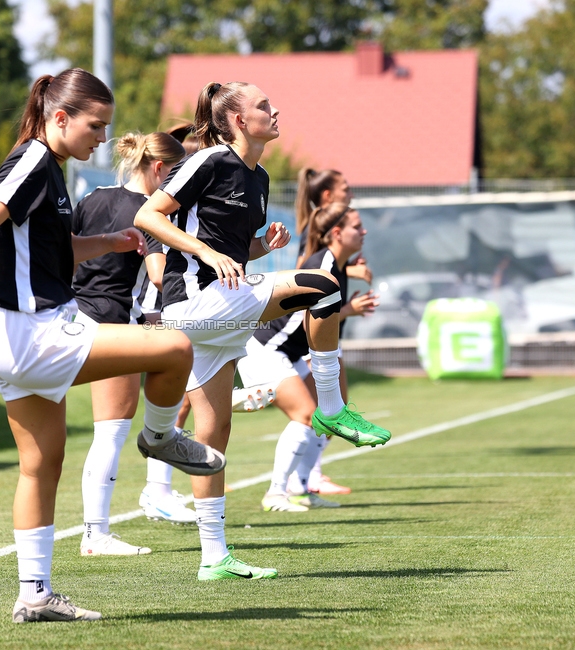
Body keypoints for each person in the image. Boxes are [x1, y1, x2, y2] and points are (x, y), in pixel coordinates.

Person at [0, 69, 225, 623]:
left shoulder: (47, 167)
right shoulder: (33, 160)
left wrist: (108, 242)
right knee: (174, 348)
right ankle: (160, 438)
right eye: (95, 125)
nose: (103, 137)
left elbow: (46, 251)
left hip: (8, 334)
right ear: (59, 117)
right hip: (31, 330)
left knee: (42, 464)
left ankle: (35, 594)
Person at [134, 81, 390, 581]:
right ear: (236, 121)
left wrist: (258, 247)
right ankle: (333, 408)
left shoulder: (262, 176)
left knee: (212, 443)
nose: (276, 111)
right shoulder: (207, 162)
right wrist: (206, 254)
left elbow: (228, 246)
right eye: (264, 107)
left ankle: (214, 558)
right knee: (322, 283)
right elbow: (148, 215)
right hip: (194, 304)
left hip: (222, 310)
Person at [73, 130, 198, 557]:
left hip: (71, 314)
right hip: (111, 319)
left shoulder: (92, 198)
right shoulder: (149, 213)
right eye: (178, 176)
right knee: (111, 430)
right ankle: (95, 533)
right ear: (160, 169)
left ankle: (97, 529)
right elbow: (161, 275)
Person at [239, 203, 379, 512]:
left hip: (288, 352)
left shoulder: (338, 266)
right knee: (306, 414)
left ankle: (300, 489)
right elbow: (309, 316)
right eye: (357, 226)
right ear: (338, 233)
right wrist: (349, 312)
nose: (364, 231)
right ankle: (276, 494)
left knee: (325, 419)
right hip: (266, 349)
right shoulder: (322, 264)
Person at [292, 168, 374, 496]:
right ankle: (301, 480)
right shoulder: (320, 253)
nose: (351, 193)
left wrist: (349, 269)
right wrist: (349, 309)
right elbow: (302, 292)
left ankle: (308, 476)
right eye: (346, 188)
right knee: (316, 412)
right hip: (299, 343)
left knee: (332, 408)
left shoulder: (336, 255)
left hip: (323, 339)